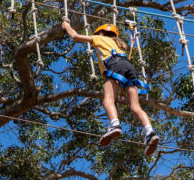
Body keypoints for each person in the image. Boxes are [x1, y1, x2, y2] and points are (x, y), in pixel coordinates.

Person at [62, 18, 160, 154]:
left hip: (114, 65)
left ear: (100, 33)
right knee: (135, 106)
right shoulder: (118, 44)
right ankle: (150, 132)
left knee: (108, 100)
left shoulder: (99, 38)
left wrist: (66, 25)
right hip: (129, 67)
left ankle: (114, 124)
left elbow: (75, 37)